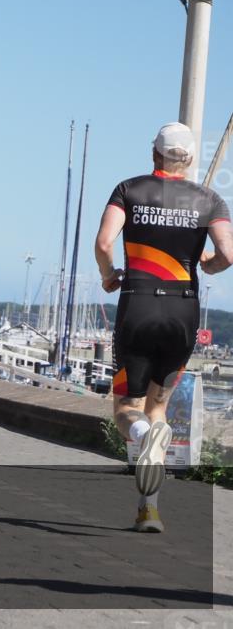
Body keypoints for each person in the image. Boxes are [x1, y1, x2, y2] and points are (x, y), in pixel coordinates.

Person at [95, 122, 232, 533]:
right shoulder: (209, 199)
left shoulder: (128, 190)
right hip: (182, 313)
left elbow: (103, 243)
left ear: (154, 154)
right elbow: (227, 252)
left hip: (137, 303)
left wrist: (108, 276)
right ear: (188, 160)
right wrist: (208, 265)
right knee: (159, 409)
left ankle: (139, 434)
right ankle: (148, 509)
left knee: (127, 411)